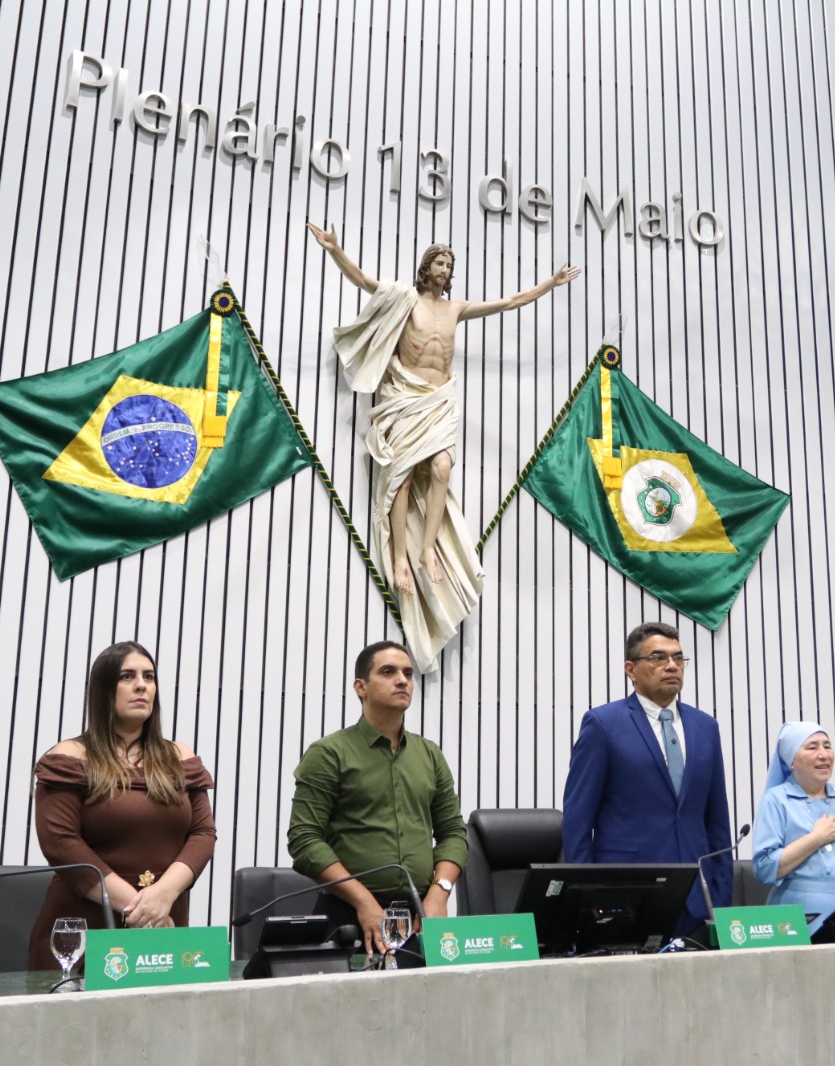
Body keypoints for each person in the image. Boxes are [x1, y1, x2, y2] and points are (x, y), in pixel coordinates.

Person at [307, 222, 581, 672]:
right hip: (404, 397)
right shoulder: (404, 299)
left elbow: (509, 303)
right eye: (439, 261)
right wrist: (335, 249)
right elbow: (361, 280)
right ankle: (399, 555)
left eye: (450, 264)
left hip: (438, 399)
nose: (445, 268)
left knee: (441, 468)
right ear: (425, 267)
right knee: (399, 474)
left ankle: (428, 545)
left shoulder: (456, 308)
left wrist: (549, 285)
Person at [27, 642, 216, 970]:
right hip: (84, 932)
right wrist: (142, 910)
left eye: (149, 676)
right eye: (127, 676)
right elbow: (61, 844)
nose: (142, 685)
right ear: (102, 690)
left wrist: (163, 896)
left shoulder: (180, 757)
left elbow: (203, 833)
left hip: (165, 923)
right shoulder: (69, 757)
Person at [287, 640, 468, 962]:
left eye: (408, 674)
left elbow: (453, 832)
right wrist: (364, 902)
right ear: (361, 687)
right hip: (348, 916)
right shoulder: (329, 753)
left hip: (420, 917)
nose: (403, 680)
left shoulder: (430, 755)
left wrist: (440, 893)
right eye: (388, 672)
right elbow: (304, 840)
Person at [561, 622, 732, 936]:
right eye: (658, 658)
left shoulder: (705, 727)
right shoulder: (603, 725)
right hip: (627, 895)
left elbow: (717, 820)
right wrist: (590, 895)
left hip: (698, 899)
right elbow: (578, 821)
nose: (671, 666)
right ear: (631, 668)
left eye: (678, 658)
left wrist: (721, 895)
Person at [751, 721, 835, 933]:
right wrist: (817, 838)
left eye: (827, 746)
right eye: (812, 747)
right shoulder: (776, 800)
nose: (823, 754)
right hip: (795, 924)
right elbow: (765, 868)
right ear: (791, 760)